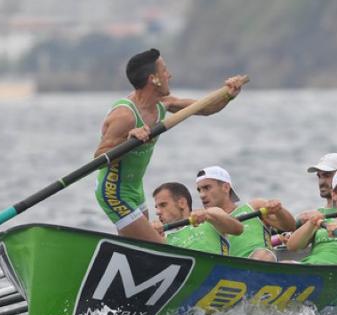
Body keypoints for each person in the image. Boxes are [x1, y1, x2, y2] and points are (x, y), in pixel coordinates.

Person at [92, 48, 244, 243]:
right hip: (113, 191)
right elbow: (99, 159)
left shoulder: (162, 103)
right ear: (153, 79)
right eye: (164, 71)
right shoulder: (125, 116)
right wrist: (127, 140)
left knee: (136, 247)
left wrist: (228, 95)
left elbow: (204, 108)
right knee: (158, 245)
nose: (169, 75)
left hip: (135, 188)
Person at [194, 165, 296, 261]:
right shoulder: (202, 223)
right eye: (199, 190)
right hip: (228, 272)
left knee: (262, 254)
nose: (202, 195)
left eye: (207, 188)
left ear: (225, 187)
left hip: (261, 263)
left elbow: (290, 227)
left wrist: (279, 211)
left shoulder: (254, 207)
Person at [150, 182, 243, 254]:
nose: (157, 212)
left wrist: (208, 216)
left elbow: (238, 229)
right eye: (157, 207)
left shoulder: (212, 214)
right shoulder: (164, 238)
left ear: (181, 203)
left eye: (163, 205)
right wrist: (154, 238)